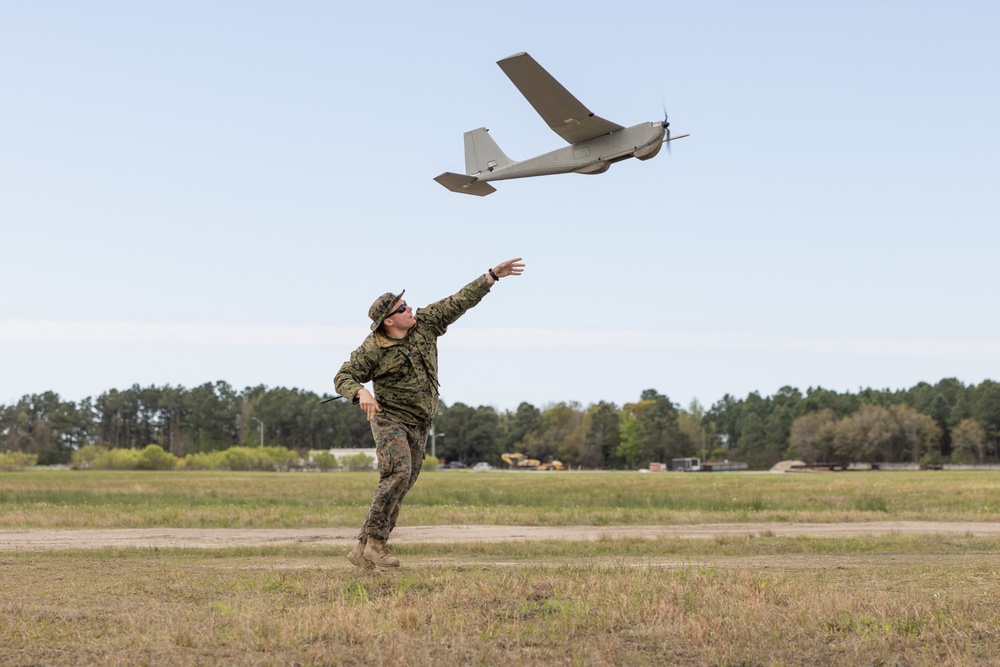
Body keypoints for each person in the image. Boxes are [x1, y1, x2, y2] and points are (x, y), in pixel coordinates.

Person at [335, 258, 526, 571]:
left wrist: (491, 277)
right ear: (388, 322)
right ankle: (377, 544)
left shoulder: (426, 323)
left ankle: (362, 548)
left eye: (407, 304)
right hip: (390, 420)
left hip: (421, 423)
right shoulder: (373, 348)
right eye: (402, 308)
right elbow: (344, 376)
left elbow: (459, 300)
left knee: (402, 482)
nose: (410, 309)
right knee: (396, 473)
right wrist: (361, 392)